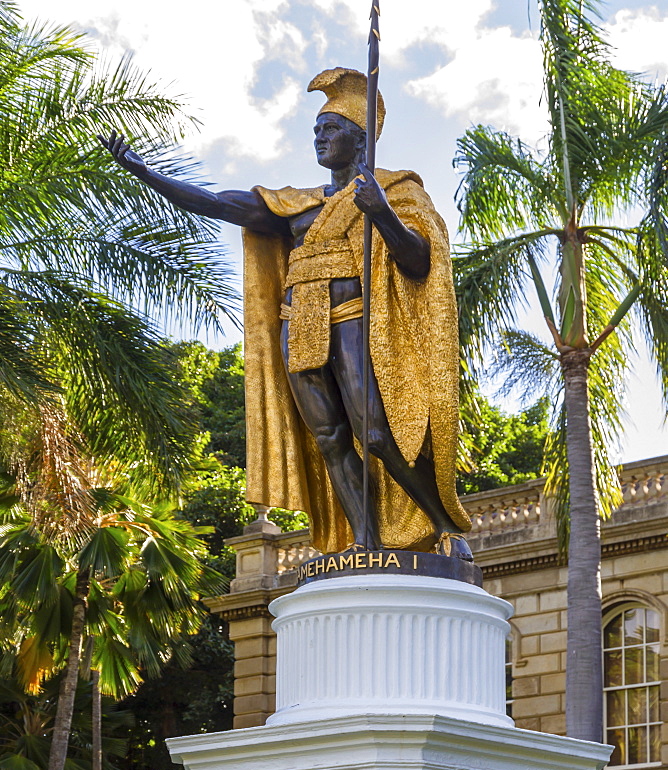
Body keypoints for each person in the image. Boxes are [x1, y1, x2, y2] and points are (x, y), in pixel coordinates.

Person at [100, 67, 472, 558]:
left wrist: (379, 212)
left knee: (376, 433)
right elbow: (215, 203)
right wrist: (147, 174)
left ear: (360, 140)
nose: (319, 138)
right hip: (297, 327)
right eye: (316, 130)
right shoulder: (294, 206)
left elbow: (420, 261)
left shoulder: (397, 191)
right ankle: (364, 539)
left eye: (331, 129)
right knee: (331, 439)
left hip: (354, 320)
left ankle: (444, 526)